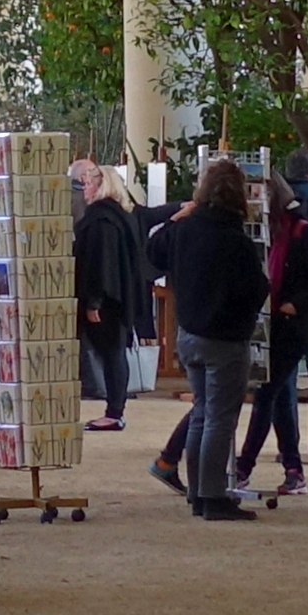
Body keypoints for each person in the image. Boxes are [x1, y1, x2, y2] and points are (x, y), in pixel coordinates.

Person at [153, 157, 268, 518]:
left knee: (203, 412)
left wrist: (176, 217)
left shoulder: (185, 230)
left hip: (188, 333)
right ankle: (213, 495)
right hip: (225, 338)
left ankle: (199, 494)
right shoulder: (236, 240)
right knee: (220, 417)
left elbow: (153, 252)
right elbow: (257, 288)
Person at [251, 169, 308, 498]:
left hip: (293, 325)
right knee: (280, 397)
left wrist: (295, 304)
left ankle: (243, 466)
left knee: (266, 394)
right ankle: (293, 470)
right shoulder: (265, 233)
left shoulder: (301, 232)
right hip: (272, 325)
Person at [67, 158, 145, 430]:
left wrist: (94, 301)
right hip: (118, 297)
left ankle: (114, 412)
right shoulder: (118, 214)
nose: (84, 189)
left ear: (101, 186)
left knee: (112, 354)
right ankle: (114, 409)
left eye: (88, 184)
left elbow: (101, 264)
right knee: (113, 353)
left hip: (106, 301)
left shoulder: (101, 220)